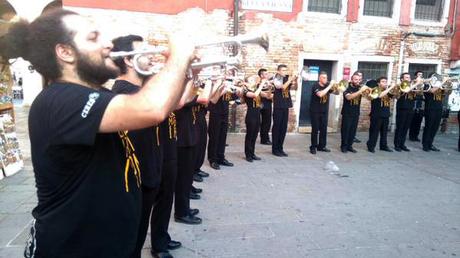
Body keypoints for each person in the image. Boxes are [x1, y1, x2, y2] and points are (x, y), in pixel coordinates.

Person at [0, 10, 195, 257]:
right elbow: (152, 108)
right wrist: (178, 54)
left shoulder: (98, 95)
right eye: (93, 38)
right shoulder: (58, 99)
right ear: (65, 52)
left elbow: (167, 104)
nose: (108, 44)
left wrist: (185, 69)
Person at [110, 35, 166, 258]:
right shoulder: (123, 92)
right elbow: (161, 107)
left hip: (147, 176)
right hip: (134, 182)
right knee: (130, 246)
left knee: (136, 241)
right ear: (129, 61)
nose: (152, 55)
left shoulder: (140, 91)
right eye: (144, 51)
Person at [272, 64, 297, 157]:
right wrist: (291, 79)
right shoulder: (276, 77)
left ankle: (280, 148)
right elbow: (281, 87)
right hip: (278, 105)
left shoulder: (287, 78)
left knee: (283, 128)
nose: (284, 72)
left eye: (285, 70)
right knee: (277, 127)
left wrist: (296, 80)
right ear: (278, 71)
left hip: (285, 105)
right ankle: (275, 149)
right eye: (282, 70)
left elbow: (295, 88)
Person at [309, 71, 337, 154]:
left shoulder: (327, 86)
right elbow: (320, 94)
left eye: (326, 78)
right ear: (319, 78)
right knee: (315, 129)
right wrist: (330, 86)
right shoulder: (315, 86)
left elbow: (337, 93)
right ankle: (313, 147)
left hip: (324, 111)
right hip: (315, 111)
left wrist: (336, 87)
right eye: (324, 78)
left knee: (324, 129)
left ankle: (322, 146)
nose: (326, 79)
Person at [340, 74, 369, 153]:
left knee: (353, 131)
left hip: (356, 112)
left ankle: (350, 146)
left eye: (359, 79)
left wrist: (368, 91)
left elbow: (369, 97)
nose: (358, 81)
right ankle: (344, 146)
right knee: (345, 131)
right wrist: (360, 91)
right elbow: (348, 97)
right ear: (352, 79)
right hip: (347, 112)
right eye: (356, 79)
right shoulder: (346, 87)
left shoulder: (360, 87)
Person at [366, 77, 395, 153]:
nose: (385, 83)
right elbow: (380, 96)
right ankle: (371, 146)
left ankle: (383, 146)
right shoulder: (375, 89)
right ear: (378, 83)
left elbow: (396, 97)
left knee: (384, 132)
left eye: (386, 81)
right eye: (383, 81)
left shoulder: (387, 90)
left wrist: (395, 90)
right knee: (374, 132)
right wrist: (391, 87)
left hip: (386, 114)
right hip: (376, 114)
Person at [244, 75, 265, 162]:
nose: (255, 81)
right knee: (250, 135)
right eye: (252, 80)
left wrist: (270, 89)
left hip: (257, 114)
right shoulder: (246, 91)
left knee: (255, 135)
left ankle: (252, 153)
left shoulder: (257, 90)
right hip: (251, 115)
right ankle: (248, 155)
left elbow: (267, 96)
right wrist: (261, 85)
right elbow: (254, 95)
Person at [394, 72, 417, 152]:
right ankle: (397, 145)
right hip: (402, 108)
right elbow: (406, 91)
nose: (408, 79)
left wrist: (419, 87)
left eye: (409, 77)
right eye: (406, 77)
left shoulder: (412, 85)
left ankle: (402, 144)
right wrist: (416, 83)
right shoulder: (399, 86)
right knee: (400, 127)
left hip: (410, 108)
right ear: (402, 79)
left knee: (406, 127)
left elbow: (419, 94)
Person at [422, 73, 444, 152]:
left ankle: (430, 143)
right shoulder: (427, 85)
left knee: (435, 127)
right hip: (430, 108)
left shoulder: (440, 85)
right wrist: (442, 82)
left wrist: (448, 86)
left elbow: (447, 93)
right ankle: (425, 145)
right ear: (431, 78)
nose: (436, 79)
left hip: (439, 108)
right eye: (435, 78)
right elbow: (432, 90)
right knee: (429, 126)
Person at [258, 68, 273, 145]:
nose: (268, 75)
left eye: (267, 74)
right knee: (258, 122)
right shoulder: (257, 84)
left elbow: (271, 96)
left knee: (267, 122)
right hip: (259, 105)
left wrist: (269, 89)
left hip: (268, 105)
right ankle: (262, 138)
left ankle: (265, 139)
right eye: (266, 74)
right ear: (261, 75)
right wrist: (268, 94)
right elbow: (266, 95)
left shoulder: (269, 85)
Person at [409, 71, 425, 142]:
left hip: (421, 103)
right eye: (419, 75)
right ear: (415, 76)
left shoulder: (424, 83)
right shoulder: (413, 82)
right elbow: (414, 91)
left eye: (421, 75)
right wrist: (417, 84)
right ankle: (411, 136)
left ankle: (416, 136)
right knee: (413, 120)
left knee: (419, 121)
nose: (420, 76)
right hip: (414, 102)